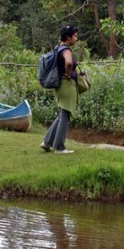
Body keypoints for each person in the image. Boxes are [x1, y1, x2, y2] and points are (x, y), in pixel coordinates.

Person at [41, 24, 80, 154]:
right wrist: (68, 74)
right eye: (74, 36)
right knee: (65, 115)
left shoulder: (58, 48)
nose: (76, 39)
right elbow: (68, 63)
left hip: (60, 85)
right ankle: (59, 147)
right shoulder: (66, 50)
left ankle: (47, 142)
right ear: (68, 37)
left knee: (63, 113)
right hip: (66, 85)